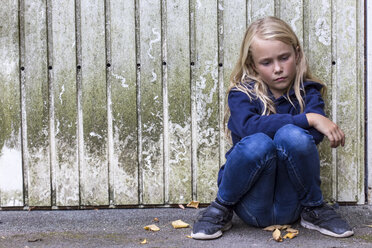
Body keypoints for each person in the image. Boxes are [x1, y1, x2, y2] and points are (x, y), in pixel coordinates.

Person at [191, 16, 353, 240]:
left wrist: (310, 122)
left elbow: (313, 136)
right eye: (267, 62)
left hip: (293, 205)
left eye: (284, 58)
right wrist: (309, 119)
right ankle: (220, 209)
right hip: (251, 207)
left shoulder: (309, 93)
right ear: (252, 65)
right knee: (258, 141)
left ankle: (314, 209)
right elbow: (248, 128)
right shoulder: (242, 94)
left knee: (292, 135)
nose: (278, 68)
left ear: (296, 54)